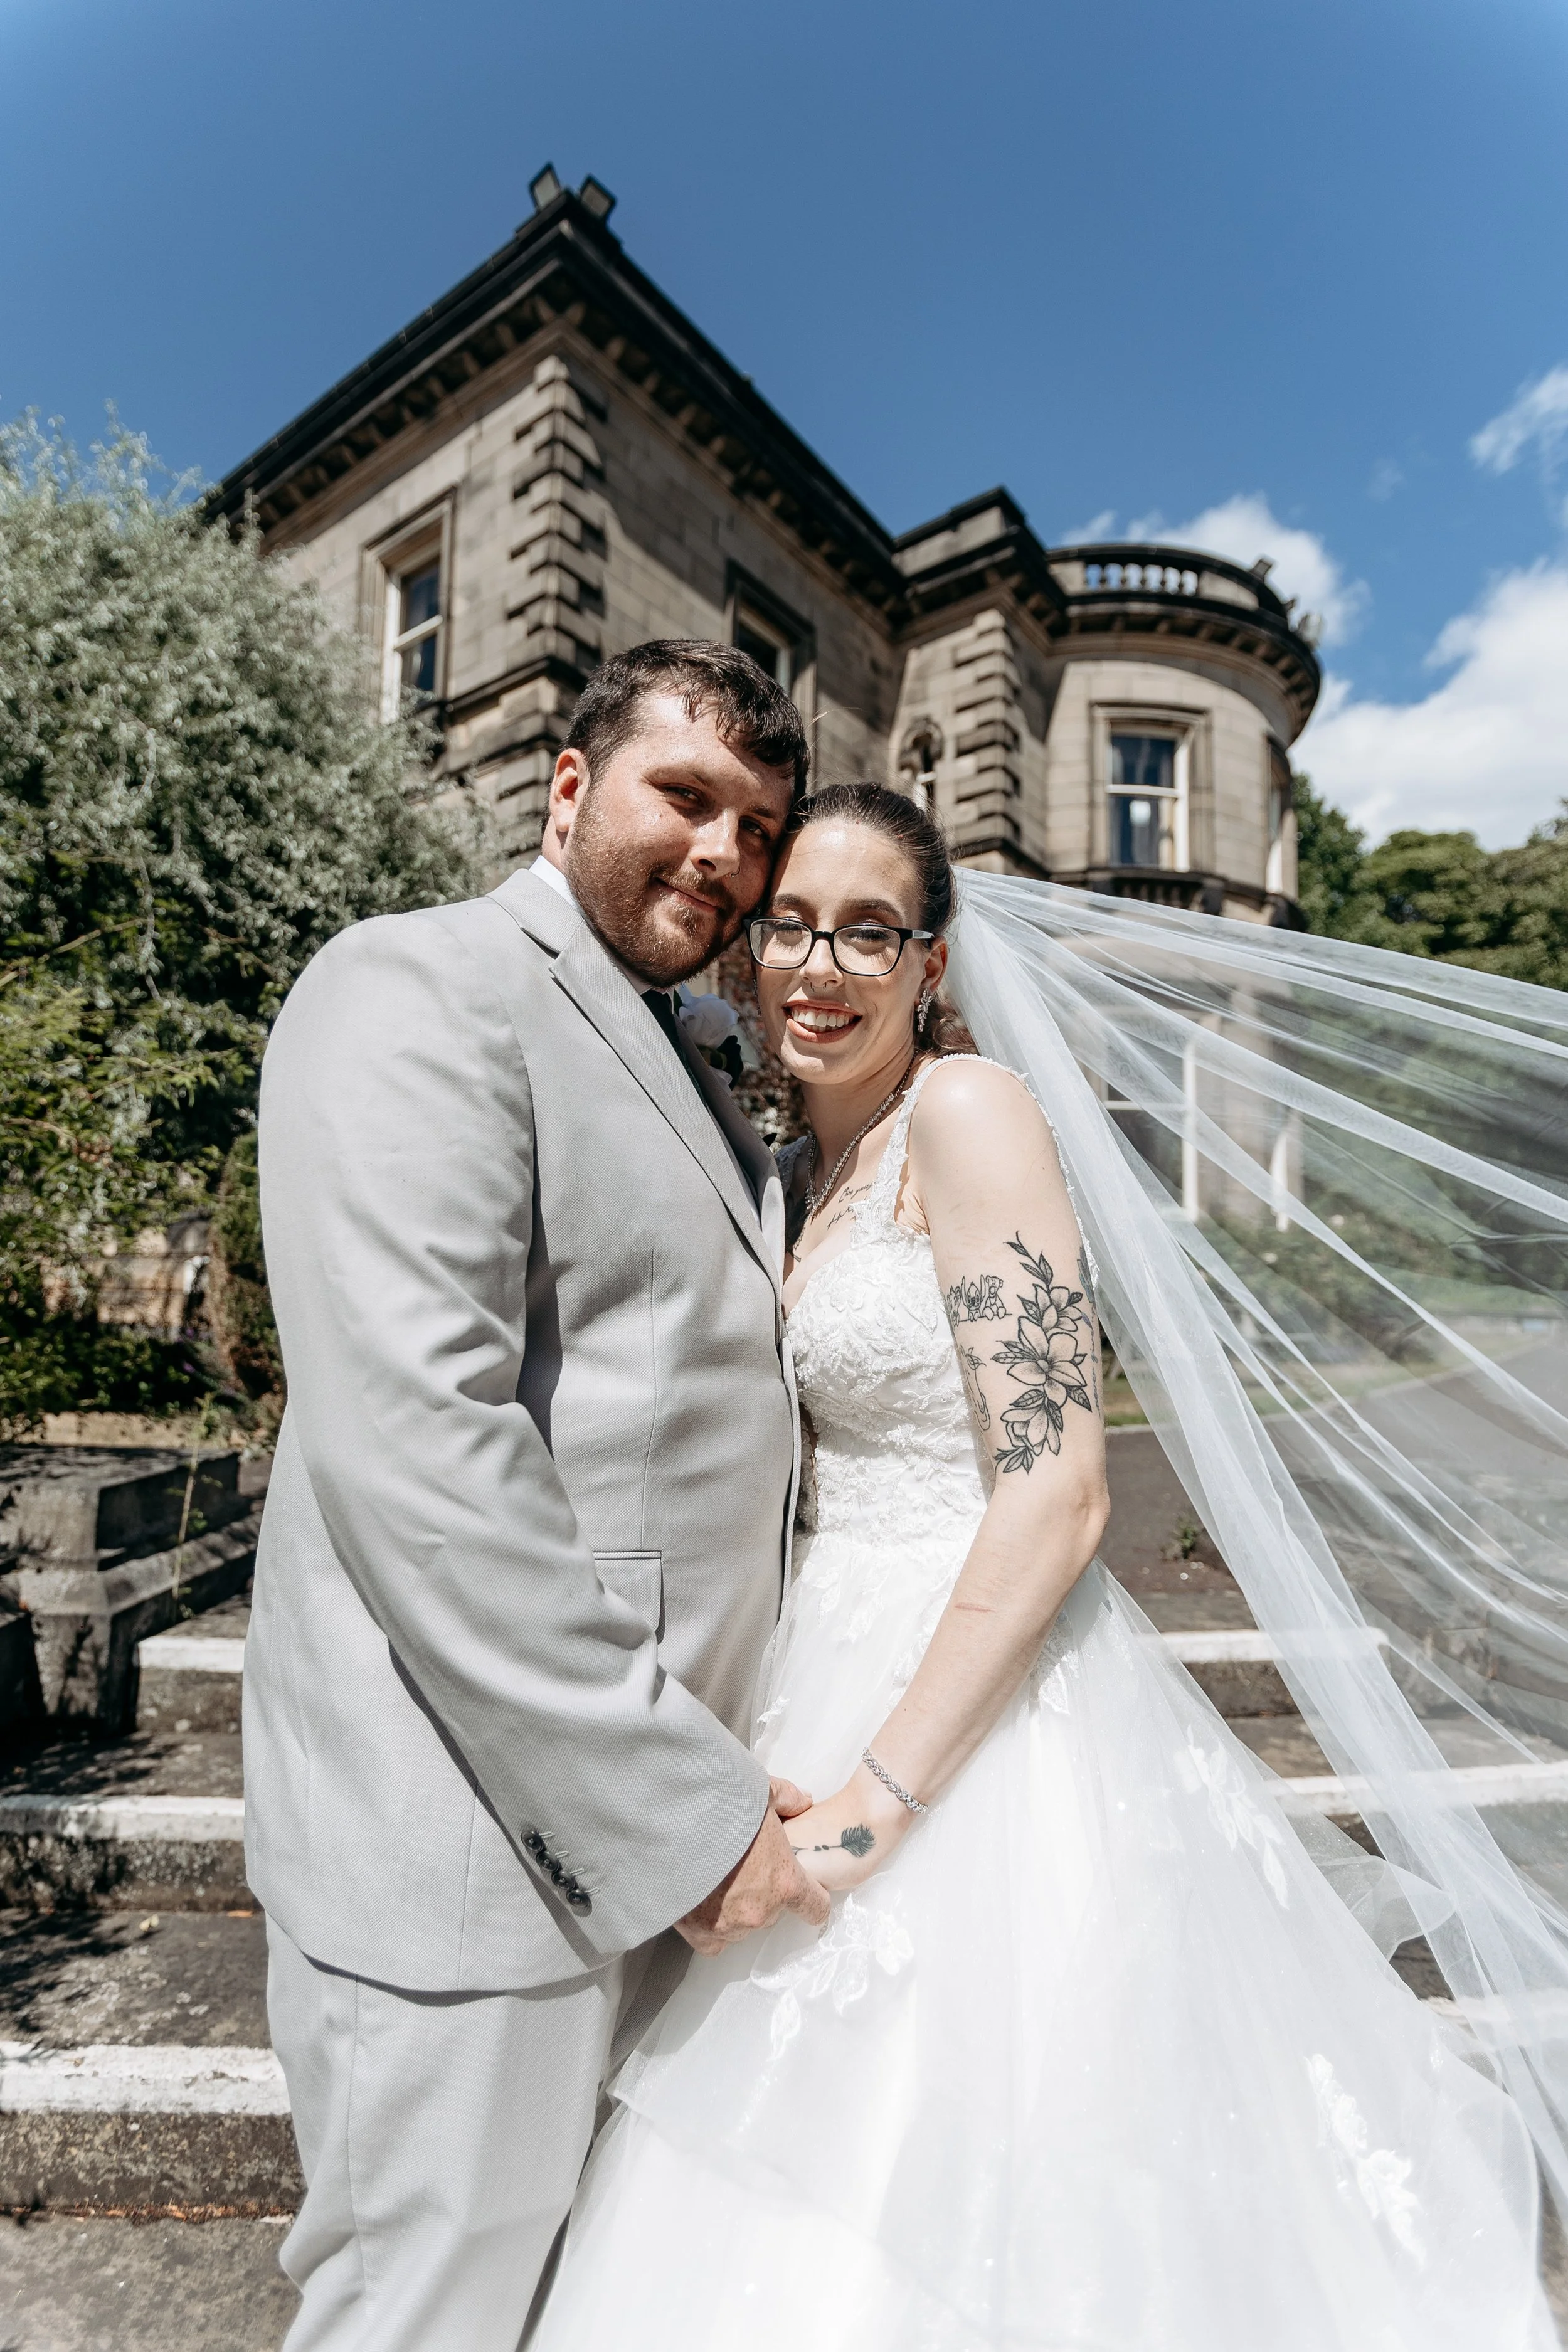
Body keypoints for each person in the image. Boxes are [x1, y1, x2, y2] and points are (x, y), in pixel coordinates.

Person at [531, 784, 1559, 2350]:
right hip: (817, 1664)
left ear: (928, 962)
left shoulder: (966, 1112)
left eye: (866, 931)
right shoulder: (806, 1165)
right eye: (790, 923)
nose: (818, 964)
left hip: (979, 1715)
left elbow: (1060, 1494)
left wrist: (872, 1813)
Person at [245, 640, 830, 2351]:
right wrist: (680, 1812)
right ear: (568, 787)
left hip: (647, 1816)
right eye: (687, 796)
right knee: (426, 2306)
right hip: (477, 1832)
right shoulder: (413, 983)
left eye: (760, 825)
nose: (726, 852)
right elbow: (428, 1453)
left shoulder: (692, 1050)